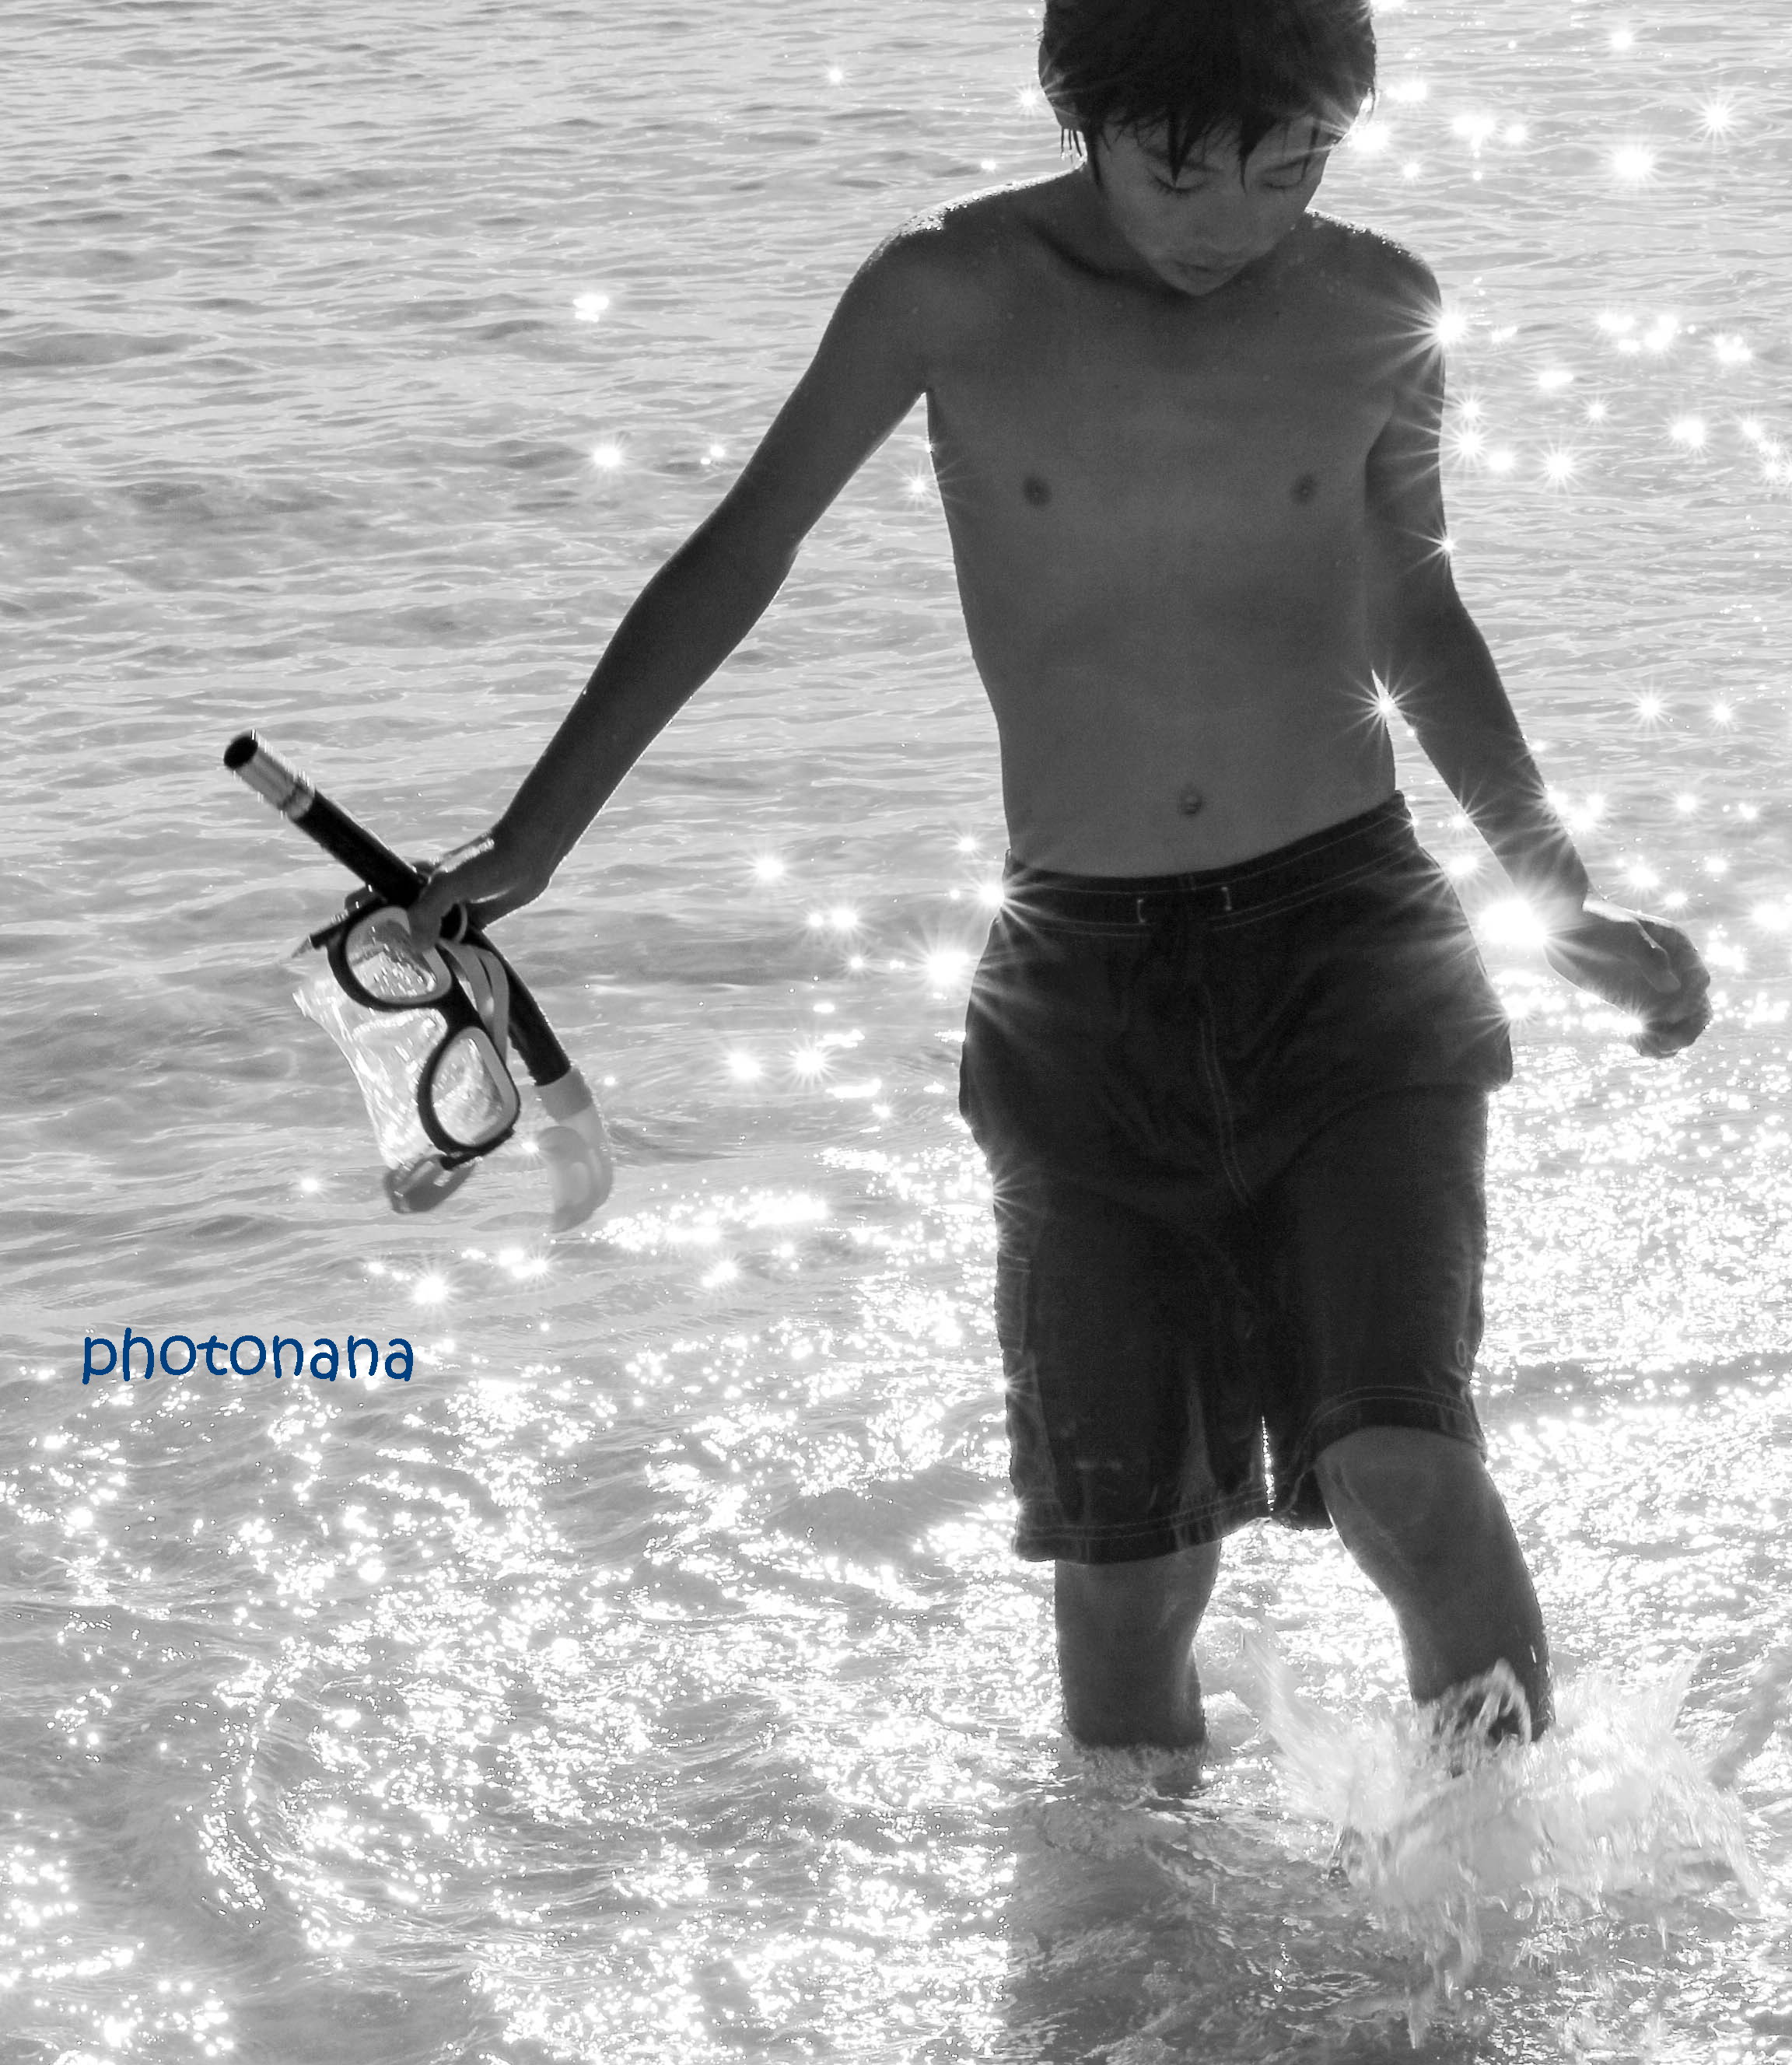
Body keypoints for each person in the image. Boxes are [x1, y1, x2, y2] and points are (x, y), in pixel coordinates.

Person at [412, 0, 1710, 1753]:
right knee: (1128, 1571)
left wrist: (1561, 898)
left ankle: (1497, 1915)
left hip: (1354, 951)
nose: (1234, 217)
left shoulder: (1374, 307)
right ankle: (1137, 1929)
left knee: (1405, 1472)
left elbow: (1414, 610)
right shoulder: (946, 292)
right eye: (1183, 172)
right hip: (1080, 984)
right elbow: (743, 552)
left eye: (1291, 168)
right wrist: (534, 841)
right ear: (1080, 113)